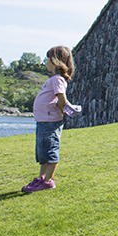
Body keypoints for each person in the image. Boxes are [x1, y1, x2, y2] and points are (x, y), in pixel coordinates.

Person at [22, 46, 77, 193]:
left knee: (50, 150)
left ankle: (47, 181)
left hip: (50, 121)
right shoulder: (53, 79)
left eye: (48, 59)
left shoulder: (58, 79)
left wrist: (62, 109)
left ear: (55, 61)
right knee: (42, 152)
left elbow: (61, 98)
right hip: (43, 121)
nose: (46, 62)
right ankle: (41, 178)